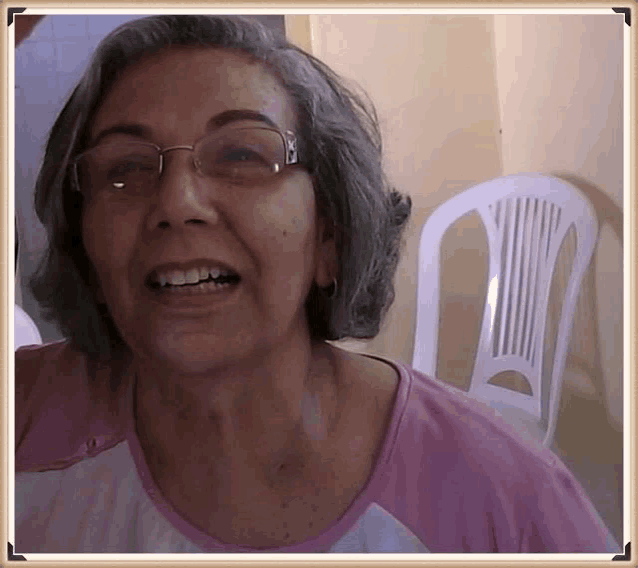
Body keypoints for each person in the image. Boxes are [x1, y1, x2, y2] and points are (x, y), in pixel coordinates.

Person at [15, 15, 618, 553]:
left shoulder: (505, 499)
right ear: (83, 246)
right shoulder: (22, 420)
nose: (177, 201)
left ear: (328, 237)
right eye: (124, 168)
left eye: (242, 155)